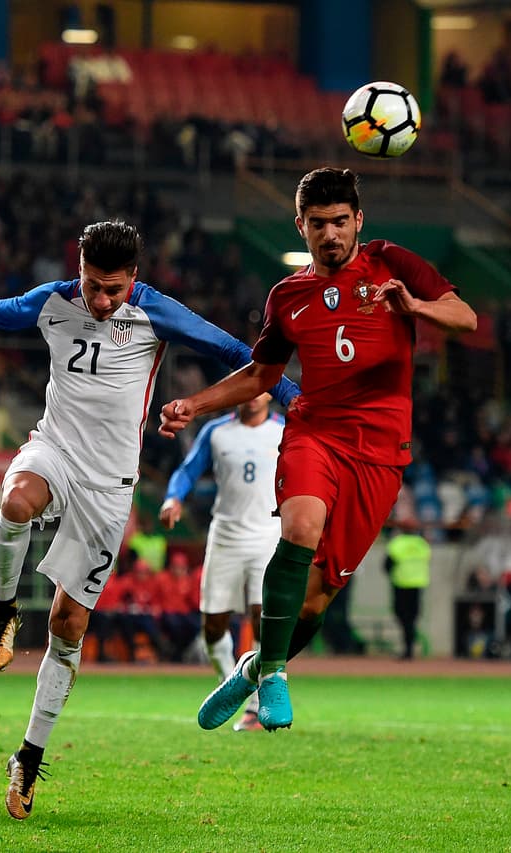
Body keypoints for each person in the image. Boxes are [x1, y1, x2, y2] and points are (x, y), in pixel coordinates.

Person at [0, 219, 298, 821]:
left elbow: (236, 353)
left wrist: (293, 399)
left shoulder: (158, 313)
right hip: (56, 451)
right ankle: (4, 610)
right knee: (15, 502)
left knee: (69, 626)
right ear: (80, 268)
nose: (100, 301)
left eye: (112, 290)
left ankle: (29, 756)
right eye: (93, 286)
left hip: (111, 485)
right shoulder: (53, 303)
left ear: (134, 281)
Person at [160, 167, 476, 732]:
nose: (329, 233)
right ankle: (276, 675)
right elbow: (262, 373)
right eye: (317, 224)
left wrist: (416, 309)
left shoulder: (392, 264)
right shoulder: (288, 295)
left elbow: (465, 315)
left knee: (315, 601)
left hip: (379, 451)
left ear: (358, 220)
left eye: (339, 221)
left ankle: (254, 668)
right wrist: (196, 404)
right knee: (300, 528)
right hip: (315, 432)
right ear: (300, 225)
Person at [159, 392, 283, 731]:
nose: (253, 394)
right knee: (213, 626)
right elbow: (188, 470)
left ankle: (257, 705)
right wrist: (173, 498)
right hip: (225, 535)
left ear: (270, 392)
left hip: (268, 535)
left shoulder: (285, 430)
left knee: (264, 619)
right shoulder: (216, 432)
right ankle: (231, 684)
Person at [384, 527, 431, 660]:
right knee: (412, 618)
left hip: (401, 584)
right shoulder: (422, 544)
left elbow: (387, 565)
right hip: (417, 585)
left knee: (402, 616)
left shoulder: (397, 543)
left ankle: (408, 647)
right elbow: (427, 559)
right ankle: (409, 644)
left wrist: (393, 576)